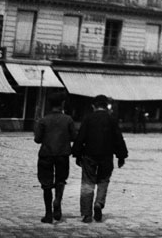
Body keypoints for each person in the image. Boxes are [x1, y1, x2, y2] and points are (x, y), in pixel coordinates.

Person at [73, 95, 127, 224]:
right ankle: (99, 203)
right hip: (106, 156)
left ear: (94, 106)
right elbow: (118, 139)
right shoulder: (112, 119)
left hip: (89, 155)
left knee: (87, 182)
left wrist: (76, 153)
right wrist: (121, 156)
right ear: (107, 106)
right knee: (103, 180)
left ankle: (86, 214)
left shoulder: (88, 119)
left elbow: (81, 137)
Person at [32, 100, 76, 224]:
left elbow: (37, 139)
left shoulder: (43, 120)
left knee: (46, 184)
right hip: (62, 154)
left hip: (46, 154)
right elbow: (74, 137)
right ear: (61, 106)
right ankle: (57, 200)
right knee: (61, 180)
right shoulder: (68, 120)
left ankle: (48, 214)